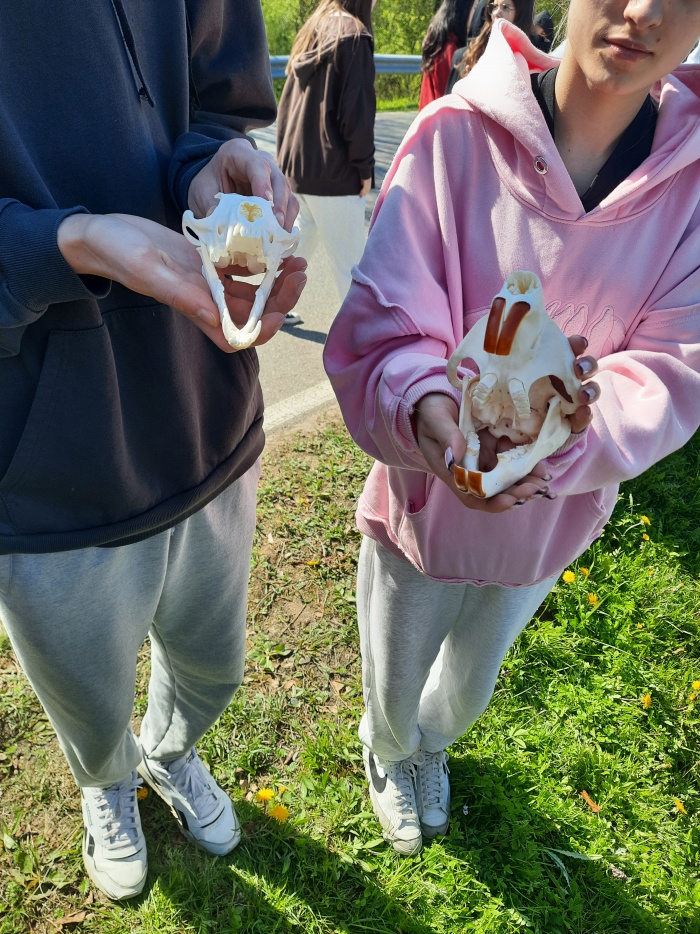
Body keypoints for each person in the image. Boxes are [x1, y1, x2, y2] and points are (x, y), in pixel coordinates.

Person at [324, 0, 700, 857]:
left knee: (468, 685)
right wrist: (434, 417)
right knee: (394, 663)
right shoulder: (454, 137)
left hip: (551, 516)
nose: (643, 12)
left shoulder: (691, 184)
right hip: (425, 503)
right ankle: (388, 751)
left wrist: (554, 443)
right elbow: (386, 319)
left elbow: (676, 362)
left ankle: (431, 746)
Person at [0, 0, 306, 901]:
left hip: (204, 396)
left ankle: (173, 752)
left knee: (214, 660)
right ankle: (108, 782)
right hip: (44, 452)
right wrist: (69, 243)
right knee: (87, 696)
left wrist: (214, 164)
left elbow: (212, 101)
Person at [276, 0, 376, 315]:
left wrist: (284, 164)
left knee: (303, 237)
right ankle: (360, 346)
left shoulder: (313, 27)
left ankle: (269, 300)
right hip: (334, 170)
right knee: (354, 267)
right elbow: (356, 114)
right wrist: (364, 168)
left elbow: (286, 104)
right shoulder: (354, 34)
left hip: (299, 166)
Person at [445, 0, 537, 94]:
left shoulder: (527, 62)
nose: (496, 13)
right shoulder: (469, 54)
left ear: (520, 14)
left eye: (505, 7)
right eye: (494, 6)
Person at [419, 0, 474, 109]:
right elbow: (447, 95)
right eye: (475, 6)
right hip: (438, 120)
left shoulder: (438, 39)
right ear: (464, 10)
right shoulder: (450, 49)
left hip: (427, 116)